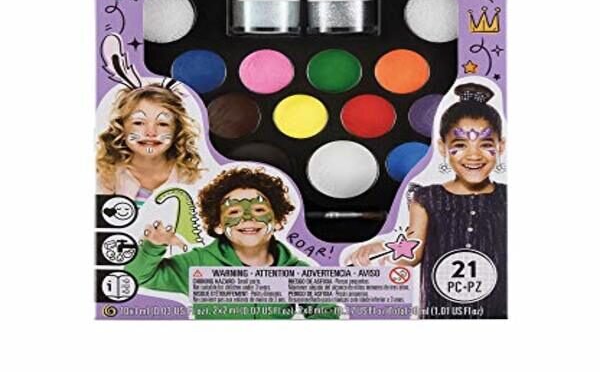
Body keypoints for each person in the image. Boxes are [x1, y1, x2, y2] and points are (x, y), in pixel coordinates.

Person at [347, 82, 507, 319]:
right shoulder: (427, 198)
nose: (473, 155)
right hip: (441, 311)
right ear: (442, 147)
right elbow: (411, 253)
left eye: (485, 145)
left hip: (497, 311)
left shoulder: (508, 198)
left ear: (501, 146)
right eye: (460, 145)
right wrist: (380, 249)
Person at [126, 167, 338, 319]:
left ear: (278, 221)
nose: (247, 218)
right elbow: (136, 277)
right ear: (218, 224)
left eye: (259, 210)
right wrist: (153, 247)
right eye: (234, 212)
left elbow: (327, 312)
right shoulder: (197, 263)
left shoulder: (296, 271)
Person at [96, 84, 203, 205]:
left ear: (177, 130)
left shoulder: (191, 179)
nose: (151, 133)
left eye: (162, 124)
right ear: (122, 128)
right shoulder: (105, 177)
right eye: (138, 123)